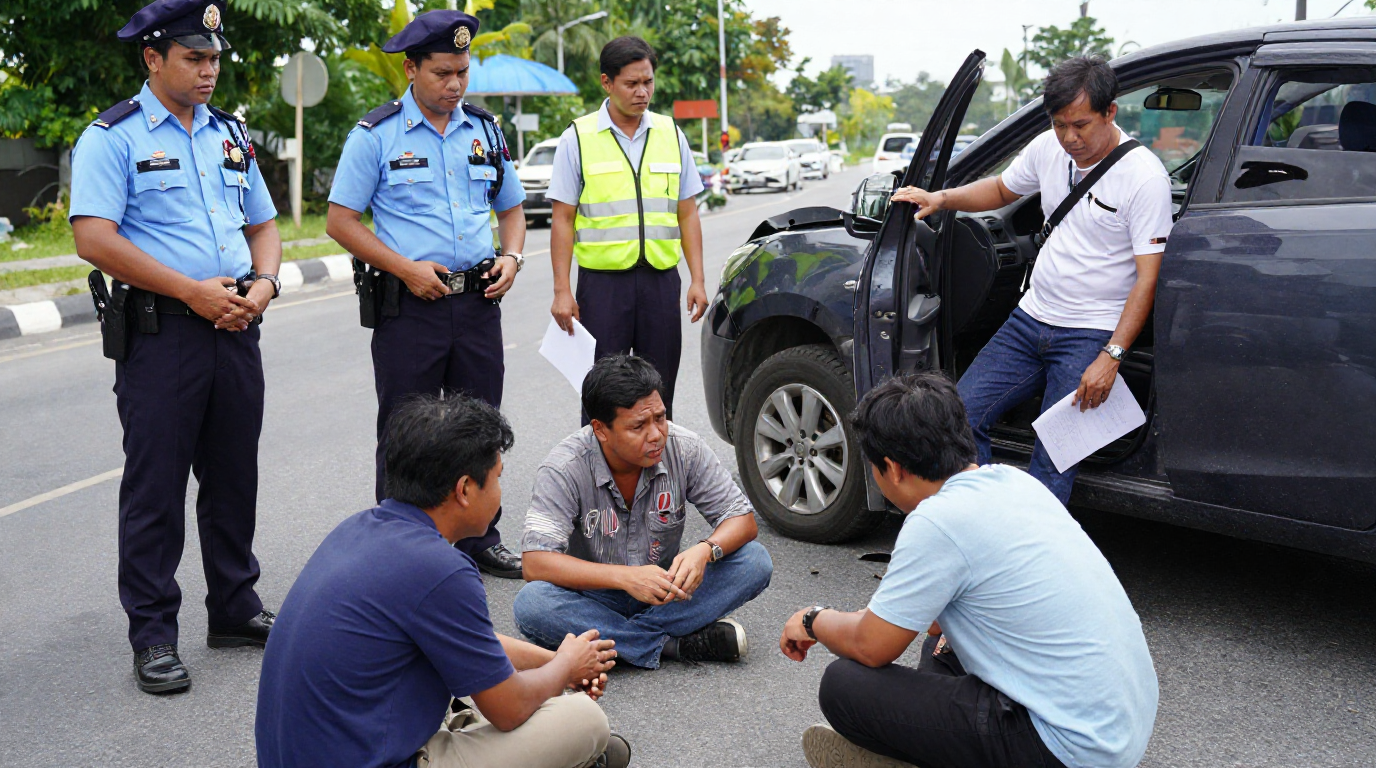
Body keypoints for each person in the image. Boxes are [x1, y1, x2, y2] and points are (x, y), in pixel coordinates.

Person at [779, 373, 1157, 768]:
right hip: (1117, 731)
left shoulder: (937, 521)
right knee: (941, 644)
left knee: (843, 686)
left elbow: (870, 646)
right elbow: (926, 622)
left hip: (1065, 748)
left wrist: (812, 620)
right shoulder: (1015, 482)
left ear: (892, 468)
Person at [69, 0, 281, 694]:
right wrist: (191, 292)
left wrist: (266, 284)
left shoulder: (229, 133)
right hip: (163, 333)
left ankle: (234, 608)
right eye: (195, 58)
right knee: (156, 487)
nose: (209, 70)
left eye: (214, 58)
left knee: (234, 477)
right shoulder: (112, 137)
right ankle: (154, 633)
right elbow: (93, 238)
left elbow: (263, 225)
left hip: (236, 326)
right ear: (153, 58)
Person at [256, 395, 631, 768]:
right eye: (497, 478)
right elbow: (509, 709)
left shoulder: (358, 528)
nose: (499, 493)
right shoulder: (441, 569)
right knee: (585, 720)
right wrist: (564, 668)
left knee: (495, 693)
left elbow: (467, 639)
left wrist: (556, 661)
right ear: (464, 489)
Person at [891, 55, 1173, 503]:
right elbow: (1002, 189)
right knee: (960, 418)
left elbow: (1148, 279)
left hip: (1091, 332)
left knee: (1056, 456)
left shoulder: (1143, 178)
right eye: (1060, 125)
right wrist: (941, 198)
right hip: (1030, 319)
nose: (1070, 138)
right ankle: (985, 516)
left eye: (1080, 125)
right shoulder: (1048, 148)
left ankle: (1035, 538)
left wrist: (1112, 355)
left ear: (1110, 112)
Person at [326, 9, 526, 578]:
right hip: (411, 306)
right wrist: (405, 269)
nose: (455, 84)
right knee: (405, 430)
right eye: (442, 73)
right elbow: (340, 221)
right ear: (411, 69)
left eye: (462, 72)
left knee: (481, 426)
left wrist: (512, 257)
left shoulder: (484, 130)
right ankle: (400, 549)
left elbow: (512, 209)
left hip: (478, 301)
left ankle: (480, 539)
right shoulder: (376, 135)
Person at [515, 355, 773, 668]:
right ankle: (673, 644)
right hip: (593, 597)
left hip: (668, 590)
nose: (655, 434)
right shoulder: (564, 467)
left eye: (660, 418)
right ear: (600, 430)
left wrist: (705, 551)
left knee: (754, 561)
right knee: (532, 604)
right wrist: (625, 578)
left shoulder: (685, 447)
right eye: (638, 426)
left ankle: (625, 641)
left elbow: (741, 519)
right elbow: (535, 562)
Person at [547, 36, 708, 421]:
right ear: (607, 82)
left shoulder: (671, 134)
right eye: (631, 83)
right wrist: (562, 291)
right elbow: (563, 218)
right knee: (603, 394)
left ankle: (658, 460)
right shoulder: (578, 138)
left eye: (648, 82)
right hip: (603, 288)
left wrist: (698, 279)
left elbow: (687, 212)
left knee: (660, 392)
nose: (642, 92)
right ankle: (598, 461)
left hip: (660, 282)